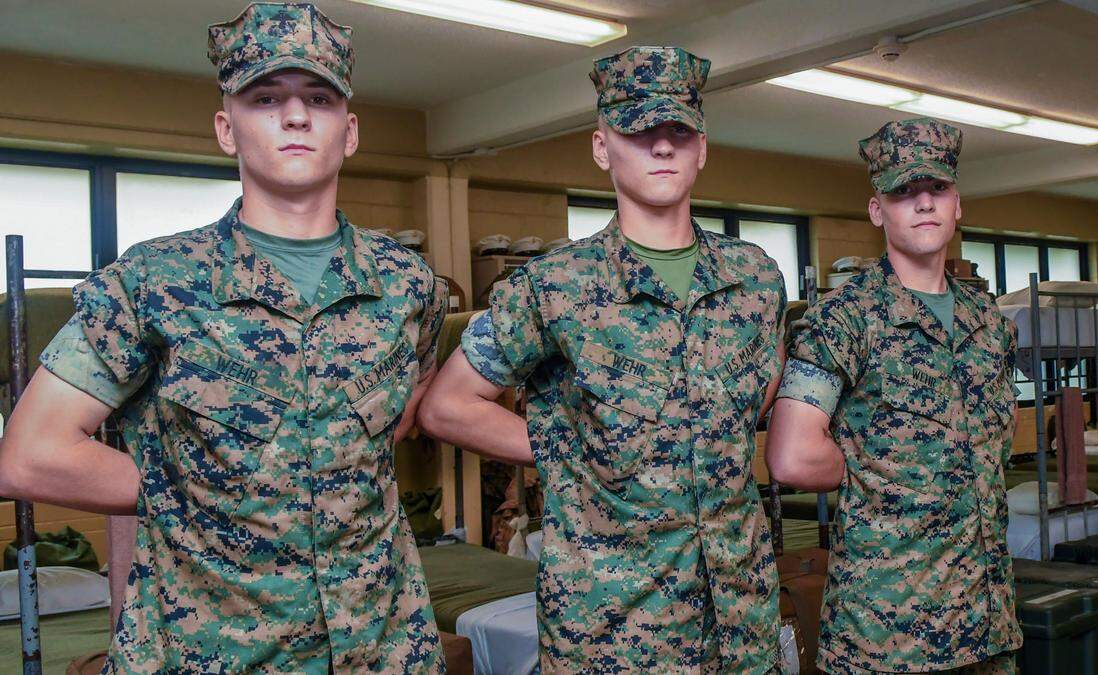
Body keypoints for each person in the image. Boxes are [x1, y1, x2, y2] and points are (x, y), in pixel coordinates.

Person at [0, 3, 447, 671]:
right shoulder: (154, 281)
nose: (295, 116)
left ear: (349, 131)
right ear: (225, 128)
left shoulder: (409, 284)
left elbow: (402, 413)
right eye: (266, 97)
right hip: (211, 651)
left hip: (385, 647)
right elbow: (28, 454)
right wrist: (199, 492)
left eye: (319, 99)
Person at [419, 46, 787, 672]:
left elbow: (762, 395)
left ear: (702, 148)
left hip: (741, 613)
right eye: (638, 131)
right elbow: (447, 405)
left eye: (678, 131)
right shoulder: (554, 285)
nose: (662, 147)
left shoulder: (755, 278)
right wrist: (565, 450)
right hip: (614, 624)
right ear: (601, 147)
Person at [766, 117, 1023, 674]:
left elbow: (999, 434)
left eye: (937, 189)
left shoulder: (990, 324)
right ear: (877, 211)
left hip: (988, 624)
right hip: (889, 631)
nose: (924, 204)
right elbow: (793, 454)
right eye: (904, 192)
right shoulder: (846, 318)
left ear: (958, 205)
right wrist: (879, 474)